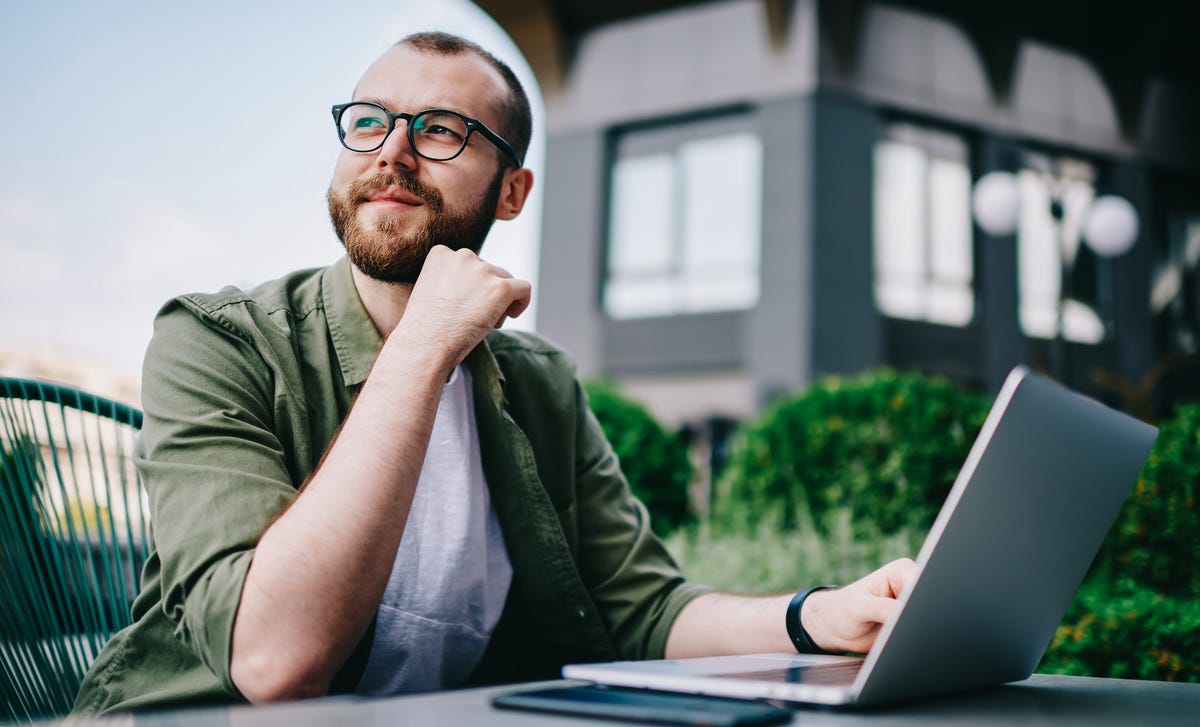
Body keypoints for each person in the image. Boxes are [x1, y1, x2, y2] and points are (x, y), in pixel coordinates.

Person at [73, 31, 913, 714]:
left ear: (512, 192)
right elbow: (273, 661)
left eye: (440, 130)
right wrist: (422, 345)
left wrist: (822, 615)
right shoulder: (217, 341)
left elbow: (645, 608)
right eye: (370, 121)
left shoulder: (539, 382)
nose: (392, 153)